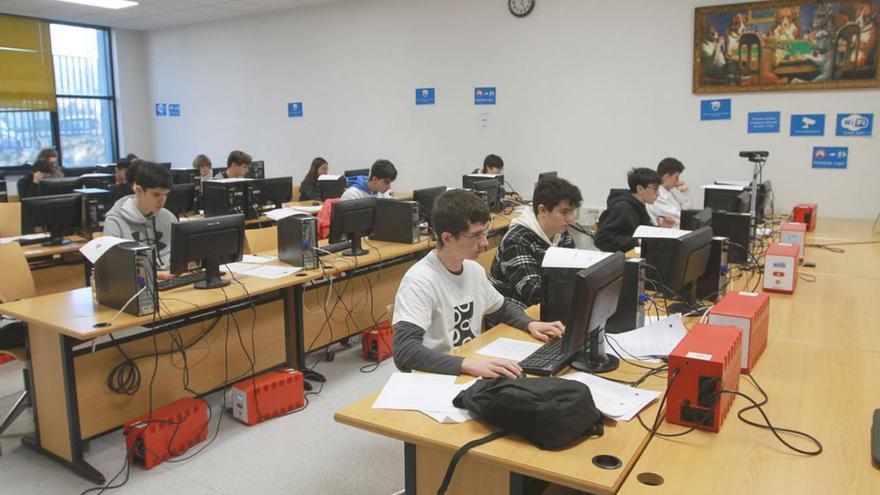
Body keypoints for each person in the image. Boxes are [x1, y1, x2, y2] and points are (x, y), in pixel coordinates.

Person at [392, 189, 565, 378]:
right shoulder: (420, 281)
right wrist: (467, 365)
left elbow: (501, 307)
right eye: (475, 236)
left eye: (485, 233)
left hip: (468, 367)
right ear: (447, 238)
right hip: (436, 376)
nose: (484, 243)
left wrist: (530, 323)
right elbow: (405, 351)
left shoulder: (473, 270)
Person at [489, 177, 582, 309]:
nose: (570, 219)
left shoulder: (561, 234)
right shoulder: (516, 240)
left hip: (546, 308)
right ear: (542, 210)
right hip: (514, 316)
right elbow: (532, 291)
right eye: (564, 212)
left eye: (571, 211)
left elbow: (575, 271)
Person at [103, 162, 177, 279]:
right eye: (156, 195)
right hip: (136, 283)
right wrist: (156, 275)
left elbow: (181, 255)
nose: (162, 201)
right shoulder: (115, 222)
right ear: (138, 190)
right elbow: (113, 267)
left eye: (165, 195)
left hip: (171, 279)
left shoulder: (168, 217)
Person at [594, 167, 661, 253]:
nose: (658, 194)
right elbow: (601, 239)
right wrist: (637, 242)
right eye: (655, 189)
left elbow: (645, 230)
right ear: (640, 189)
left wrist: (661, 229)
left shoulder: (639, 206)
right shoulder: (622, 207)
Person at [647, 157, 691, 229]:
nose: (678, 181)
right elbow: (682, 218)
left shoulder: (668, 192)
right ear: (667, 176)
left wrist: (685, 193)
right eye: (676, 177)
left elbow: (688, 212)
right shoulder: (657, 196)